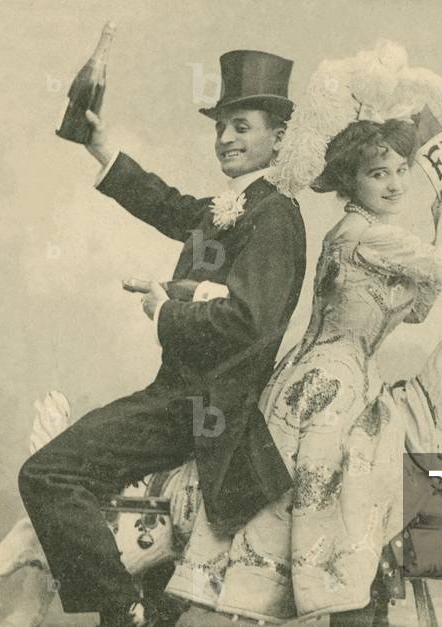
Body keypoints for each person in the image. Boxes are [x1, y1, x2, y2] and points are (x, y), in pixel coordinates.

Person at [164, 117, 442, 624]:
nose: (395, 183)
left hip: (352, 382)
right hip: (328, 387)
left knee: (368, 499)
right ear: (350, 182)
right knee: (344, 505)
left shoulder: (367, 235)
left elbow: (419, 308)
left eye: (402, 170)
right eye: (377, 173)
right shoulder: (368, 236)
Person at [18, 50, 306, 627]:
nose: (225, 138)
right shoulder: (237, 205)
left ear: (279, 137)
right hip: (183, 398)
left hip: (203, 407)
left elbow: (248, 322)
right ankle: (138, 607)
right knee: (65, 477)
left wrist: (163, 310)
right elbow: (167, 205)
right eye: (221, 127)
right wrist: (100, 146)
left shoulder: (275, 215)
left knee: (48, 473)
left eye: (241, 126)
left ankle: (122, 607)